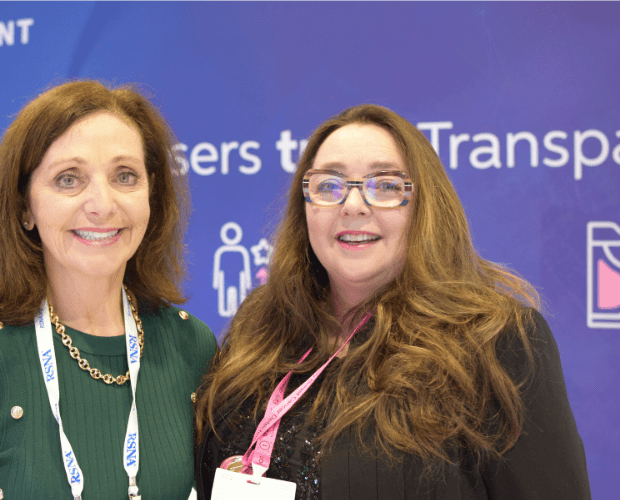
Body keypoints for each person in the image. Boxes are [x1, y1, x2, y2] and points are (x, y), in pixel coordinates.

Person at [194, 104, 591, 499]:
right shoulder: (261, 326)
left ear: (424, 207)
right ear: (305, 207)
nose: (352, 205)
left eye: (385, 186)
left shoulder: (495, 341)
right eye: (329, 185)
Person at [0, 81, 217, 500]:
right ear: (24, 206)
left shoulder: (191, 345)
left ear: (151, 194)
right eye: (68, 179)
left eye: (125, 176)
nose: (102, 205)